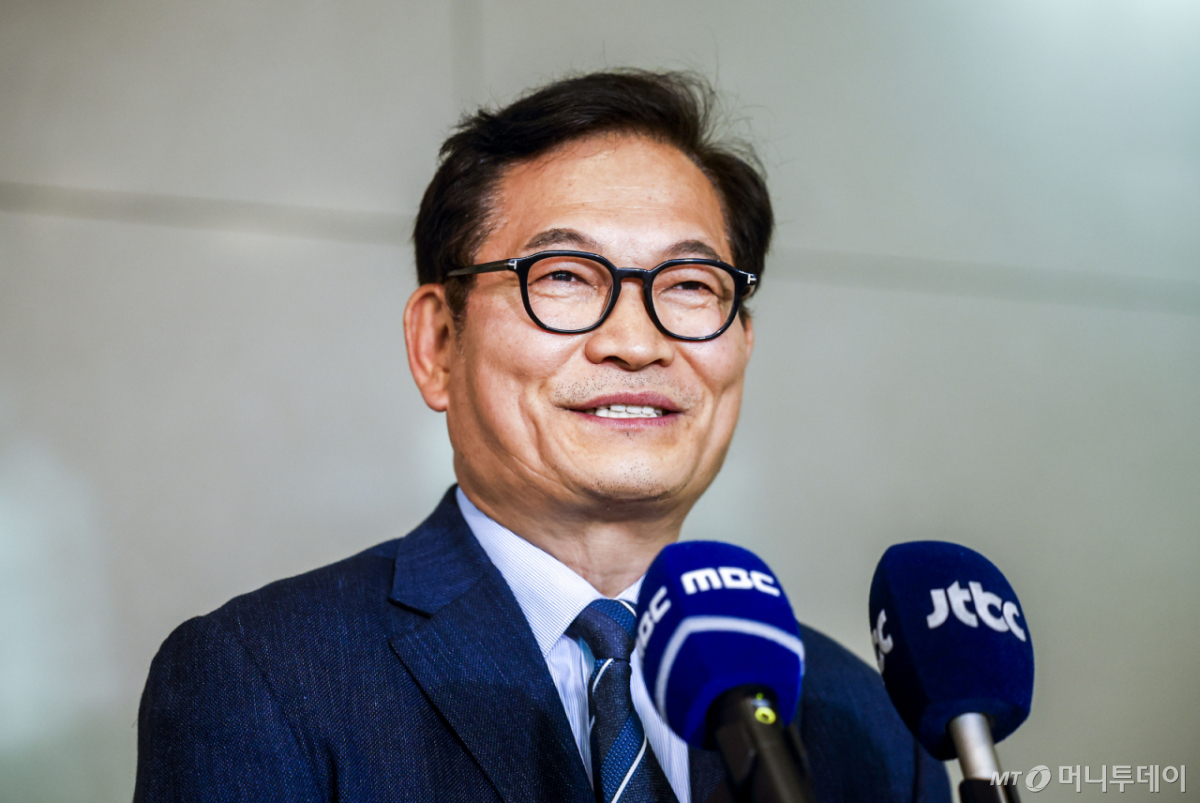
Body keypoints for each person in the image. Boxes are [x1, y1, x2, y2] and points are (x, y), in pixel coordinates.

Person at [135, 70, 950, 803]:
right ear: (438, 344)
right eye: (563, 276)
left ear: (742, 341)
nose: (637, 342)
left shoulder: (869, 724)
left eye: (690, 285)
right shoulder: (264, 677)